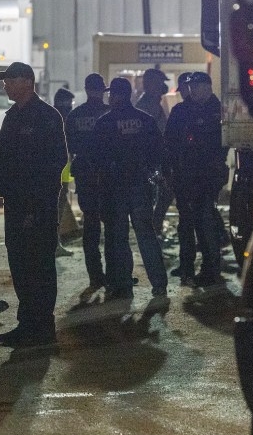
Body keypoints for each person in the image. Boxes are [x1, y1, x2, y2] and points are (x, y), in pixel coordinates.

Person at [0, 63, 68, 347]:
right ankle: (28, 324)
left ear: (26, 82)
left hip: (37, 206)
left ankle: (42, 326)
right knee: (21, 266)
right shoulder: (13, 117)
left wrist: (34, 206)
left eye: (9, 80)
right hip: (16, 204)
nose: (5, 85)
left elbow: (54, 162)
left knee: (39, 267)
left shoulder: (46, 116)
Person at [94, 77, 168, 300]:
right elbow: (158, 151)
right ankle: (159, 283)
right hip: (140, 185)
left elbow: (97, 158)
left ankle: (123, 284)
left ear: (116, 95)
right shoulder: (144, 120)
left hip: (115, 187)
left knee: (119, 237)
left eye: (111, 94)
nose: (109, 97)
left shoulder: (105, 122)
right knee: (146, 234)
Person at [164, 71, 225, 287]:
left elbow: (220, 146)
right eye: (190, 87)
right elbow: (169, 142)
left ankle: (210, 268)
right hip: (184, 175)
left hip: (206, 176)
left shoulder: (217, 110)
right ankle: (187, 268)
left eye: (195, 86)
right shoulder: (182, 110)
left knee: (204, 220)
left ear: (206, 87)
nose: (190, 90)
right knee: (186, 222)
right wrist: (170, 170)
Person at [66, 73, 110, 299]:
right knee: (112, 226)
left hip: (85, 176)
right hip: (108, 176)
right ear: (102, 90)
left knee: (91, 226)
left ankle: (96, 275)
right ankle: (113, 274)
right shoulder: (109, 113)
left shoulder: (75, 115)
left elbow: (70, 147)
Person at [136, 68, 174, 237]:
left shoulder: (153, 104)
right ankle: (152, 229)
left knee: (164, 194)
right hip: (151, 160)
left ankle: (154, 228)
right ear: (151, 84)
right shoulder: (146, 107)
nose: (163, 87)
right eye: (160, 83)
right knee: (161, 194)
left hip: (156, 158)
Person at [52, 88, 76, 258]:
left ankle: (55, 242)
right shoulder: (63, 118)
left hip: (60, 165)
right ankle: (54, 243)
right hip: (60, 165)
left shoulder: (50, 116)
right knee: (58, 201)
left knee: (60, 200)